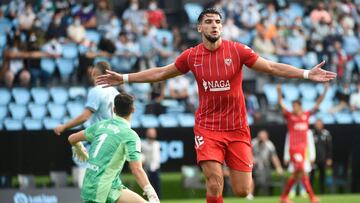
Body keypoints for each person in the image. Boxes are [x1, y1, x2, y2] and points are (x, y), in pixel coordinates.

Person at [96, 8, 336, 203]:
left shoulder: (237, 50)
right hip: (208, 128)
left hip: (238, 128)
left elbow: (272, 67)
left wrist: (306, 73)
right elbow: (161, 72)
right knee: (214, 181)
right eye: (209, 21)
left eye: (218, 22)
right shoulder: (192, 56)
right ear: (200, 27)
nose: (214, 25)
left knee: (242, 190)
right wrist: (125, 78)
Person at [67, 93, 160, 203]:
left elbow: (72, 138)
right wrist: (150, 191)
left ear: (114, 110)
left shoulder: (101, 125)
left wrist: (78, 147)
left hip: (105, 185)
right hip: (99, 191)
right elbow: (136, 169)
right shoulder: (129, 135)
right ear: (133, 109)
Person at [54, 61, 119, 187]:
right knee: (108, 182)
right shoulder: (115, 92)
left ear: (94, 72)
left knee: (94, 184)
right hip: (114, 140)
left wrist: (64, 126)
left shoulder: (96, 91)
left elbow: (85, 117)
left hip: (101, 141)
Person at [277, 83, 329, 203]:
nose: (293, 108)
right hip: (294, 149)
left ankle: (284, 197)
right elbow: (281, 104)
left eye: (295, 106)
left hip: (303, 149)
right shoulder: (290, 116)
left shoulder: (306, 115)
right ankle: (312, 197)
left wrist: (325, 91)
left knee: (297, 174)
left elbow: (317, 104)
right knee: (302, 172)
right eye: (292, 106)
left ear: (300, 106)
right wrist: (279, 93)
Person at [250, 130, 283, 199]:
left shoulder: (269, 145)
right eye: (260, 137)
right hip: (253, 166)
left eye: (263, 137)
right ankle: (250, 195)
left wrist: (278, 167)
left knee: (263, 180)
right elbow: (247, 153)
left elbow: (274, 157)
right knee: (252, 177)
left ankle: (266, 195)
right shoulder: (253, 142)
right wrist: (251, 159)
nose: (261, 139)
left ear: (266, 137)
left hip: (265, 166)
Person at [310, 119, 332, 194]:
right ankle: (310, 193)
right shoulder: (311, 134)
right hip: (313, 160)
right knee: (311, 176)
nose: (318, 126)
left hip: (323, 159)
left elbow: (329, 147)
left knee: (322, 176)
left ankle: (322, 192)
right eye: (317, 124)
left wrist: (329, 158)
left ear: (322, 125)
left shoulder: (326, 134)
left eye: (319, 124)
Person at [141, 128, 161, 198]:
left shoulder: (157, 144)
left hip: (156, 169)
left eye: (153, 133)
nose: (152, 135)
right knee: (148, 186)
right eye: (150, 133)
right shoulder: (143, 144)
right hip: (146, 169)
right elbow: (141, 156)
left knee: (157, 187)